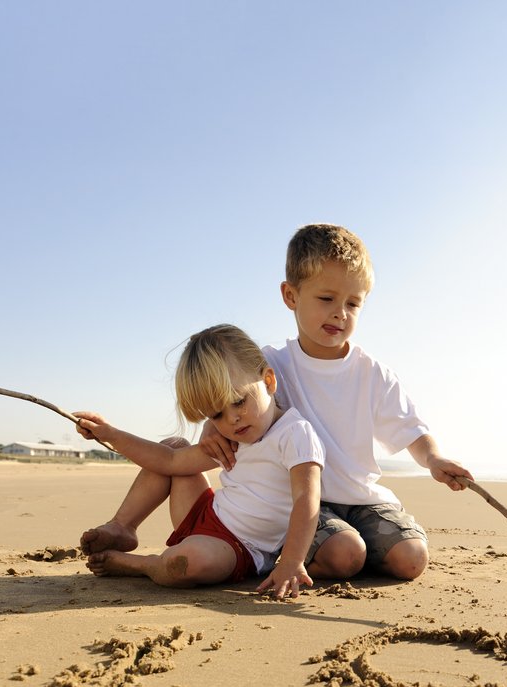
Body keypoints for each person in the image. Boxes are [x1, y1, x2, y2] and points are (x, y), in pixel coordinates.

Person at [200, 223, 472, 583]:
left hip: (365, 499)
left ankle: (358, 547)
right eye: (326, 299)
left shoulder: (371, 372)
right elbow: (229, 399)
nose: (340, 313)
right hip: (302, 502)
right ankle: (306, 551)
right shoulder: (270, 366)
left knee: (411, 559)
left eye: (353, 303)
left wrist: (434, 458)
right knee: (345, 555)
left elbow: (411, 431)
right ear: (291, 296)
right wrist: (208, 427)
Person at [74, 324, 323, 599]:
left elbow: (306, 500)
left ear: (268, 381)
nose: (231, 419)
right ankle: (123, 526)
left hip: (239, 549)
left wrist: (291, 561)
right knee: (174, 447)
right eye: (216, 415)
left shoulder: (295, 433)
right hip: (204, 516)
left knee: (185, 562)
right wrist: (111, 435)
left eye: (238, 402)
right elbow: (169, 461)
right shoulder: (234, 437)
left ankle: (141, 565)